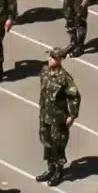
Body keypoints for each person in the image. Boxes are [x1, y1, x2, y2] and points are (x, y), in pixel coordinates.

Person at [37, 46, 80, 183]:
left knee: (58, 144)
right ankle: (50, 168)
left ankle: (59, 171)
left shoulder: (65, 78)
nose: (49, 59)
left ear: (60, 59)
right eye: (49, 56)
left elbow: (74, 97)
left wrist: (72, 116)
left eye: (52, 57)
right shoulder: (44, 71)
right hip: (45, 115)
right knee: (47, 142)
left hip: (58, 118)